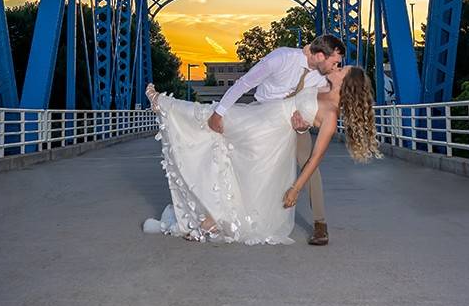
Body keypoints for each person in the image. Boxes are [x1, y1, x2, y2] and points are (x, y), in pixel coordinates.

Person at [143, 65, 379, 245]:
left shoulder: (330, 116)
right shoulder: (321, 87)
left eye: (342, 70)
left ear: (346, 83)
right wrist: (302, 126)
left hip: (269, 133)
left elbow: (315, 157)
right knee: (236, 166)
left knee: (216, 119)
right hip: (264, 115)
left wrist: (295, 188)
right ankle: (215, 219)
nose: (337, 68)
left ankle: (164, 104)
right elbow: (297, 109)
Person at [208, 35, 344, 245]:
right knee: (243, 162)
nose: (337, 66)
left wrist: (304, 126)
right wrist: (220, 111)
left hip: (294, 123)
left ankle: (320, 224)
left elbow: (317, 107)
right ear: (319, 55)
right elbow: (245, 83)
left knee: (308, 164)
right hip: (262, 116)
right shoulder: (280, 58)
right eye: (335, 61)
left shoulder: (322, 76)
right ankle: (223, 213)